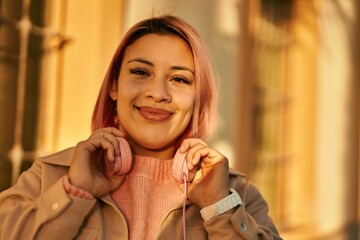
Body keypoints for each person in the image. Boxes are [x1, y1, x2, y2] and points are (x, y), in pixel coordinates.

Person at [0, 15, 282, 240]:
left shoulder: (235, 194)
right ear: (114, 86)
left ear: (199, 96)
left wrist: (219, 208)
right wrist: (74, 193)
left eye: (180, 79)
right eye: (140, 72)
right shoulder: (49, 175)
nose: (157, 93)